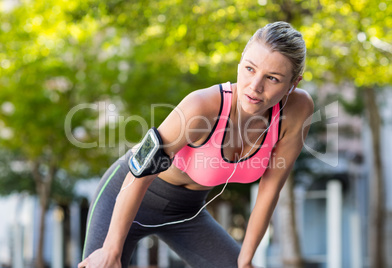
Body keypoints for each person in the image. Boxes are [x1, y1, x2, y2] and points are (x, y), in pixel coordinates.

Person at [78, 21, 314, 268]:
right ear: (240, 62)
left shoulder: (297, 110)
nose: (255, 87)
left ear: (293, 84)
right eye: (249, 69)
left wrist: (244, 261)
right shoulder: (202, 106)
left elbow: (270, 189)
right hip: (127, 194)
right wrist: (111, 249)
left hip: (187, 213)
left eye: (273, 78)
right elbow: (142, 172)